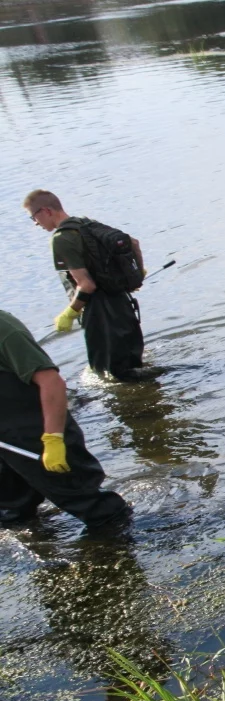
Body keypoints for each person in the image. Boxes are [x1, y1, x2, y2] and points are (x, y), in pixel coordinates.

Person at [0, 308, 132, 531]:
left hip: (37, 435)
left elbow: (52, 383)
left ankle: (130, 543)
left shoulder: (4, 329)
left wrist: (53, 439)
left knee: (93, 506)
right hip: (6, 444)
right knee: (13, 511)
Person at [24, 190, 148, 382]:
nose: (35, 223)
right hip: (123, 304)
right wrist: (135, 275)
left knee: (107, 376)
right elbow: (133, 243)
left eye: (34, 217)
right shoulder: (86, 223)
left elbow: (86, 285)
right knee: (133, 369)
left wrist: (70, 313)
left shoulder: (61, 239)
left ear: (46, 211)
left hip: (100, 315)